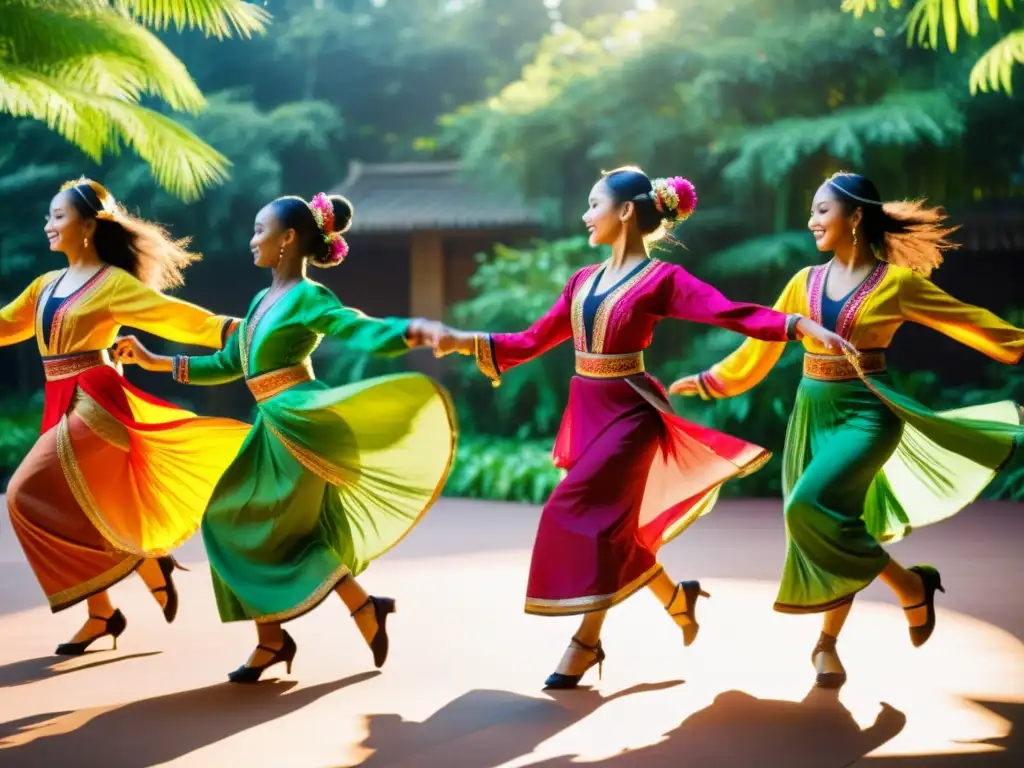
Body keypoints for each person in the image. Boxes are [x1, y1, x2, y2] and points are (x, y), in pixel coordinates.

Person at [432, 167, 851, 689]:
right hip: (587, 412)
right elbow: (531, 339)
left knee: (575, 513)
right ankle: (671, 601)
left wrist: (796, 324)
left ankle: (583, 644)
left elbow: (728, 312)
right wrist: (462, 340)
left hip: (631, 414)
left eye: (594, 204)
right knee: (613, 530)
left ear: (626, 210)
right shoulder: (581, 282)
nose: (586, 216)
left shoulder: (664, 281)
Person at [670, 171, 1024, 688]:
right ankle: (827, 645)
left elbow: (973, 321)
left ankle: (907, 589)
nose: (810, 220)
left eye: (821, 210)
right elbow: (760, 344)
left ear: (855, 216)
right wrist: (712, 381)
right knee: (835, 522)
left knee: (810, 507)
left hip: (868, 411)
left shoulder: (897, 284)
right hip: (811, 412)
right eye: (812, 211)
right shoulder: (803, 283)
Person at [116, 192, 456, 683]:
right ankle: (298, 632)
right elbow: (230, 364)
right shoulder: (260, 301)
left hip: (301, 424)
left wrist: (409, 330)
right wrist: (155, 362)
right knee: (242, 523)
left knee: (264, 528)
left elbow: (354, 328)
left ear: (289, 237)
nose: (252, 239)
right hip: (270, 426)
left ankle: (295, 633)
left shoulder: (308, 297)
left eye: (260, 229)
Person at [0, 178, 249, 654]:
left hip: (94, 400)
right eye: (49, 216)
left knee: (22, 494)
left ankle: (142, 562)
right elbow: (4, 325)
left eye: (58, 216)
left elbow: (173, 315)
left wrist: (236, 329)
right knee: (75, 507)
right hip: (58, 398)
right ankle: (104, 614)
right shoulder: (43, 286)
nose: (47, 224)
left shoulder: (112, 283)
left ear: (89, 225)